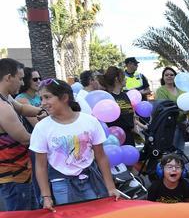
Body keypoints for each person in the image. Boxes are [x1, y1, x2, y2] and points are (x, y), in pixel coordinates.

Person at [30, 79, 122, 211]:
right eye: (41, 98)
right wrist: (46, 196)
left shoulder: (90, 121)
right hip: (60, 184)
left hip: (91, 180)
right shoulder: (42, 128)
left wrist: (111, 187)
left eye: (47, 97)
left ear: (64, 98)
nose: (43, 103)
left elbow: (101, 157)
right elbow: (40, 166)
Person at [0, 58, 34, 211]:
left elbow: (22, 109)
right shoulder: (2, 107)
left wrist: (45, 110)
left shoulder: (6, 97)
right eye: (20, 79)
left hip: (18, 172)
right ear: (8, 77)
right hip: (13, 176)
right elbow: (25, 138)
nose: (22, 83)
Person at [102, 66, 145, 146]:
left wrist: (135, 128)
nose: (126, 79)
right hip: (115, 136)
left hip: (129, 135)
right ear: (116, 79)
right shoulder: (107, 96)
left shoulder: (124, 95)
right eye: (124, 77)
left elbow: (130, 112)